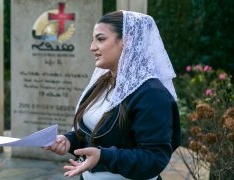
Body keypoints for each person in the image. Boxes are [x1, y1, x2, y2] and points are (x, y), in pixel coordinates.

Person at [45, 10, 181, 180]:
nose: (92, 47)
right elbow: (96, 133)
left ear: (127, 42)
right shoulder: (103, 82)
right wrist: (69, 140)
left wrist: (104, 157)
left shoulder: (151, 94)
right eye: (93, 39)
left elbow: (154, 158)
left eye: (100, 39)